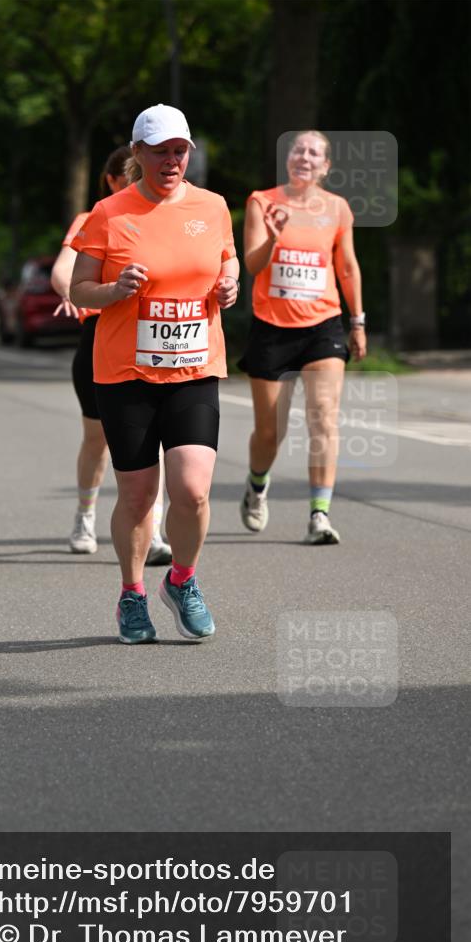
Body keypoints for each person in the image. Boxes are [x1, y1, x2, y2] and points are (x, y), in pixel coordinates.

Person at [70, 104, 239, 643]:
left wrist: (229, 283)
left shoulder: (212, 207)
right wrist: (114, 290)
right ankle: (132, 594)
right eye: (161, 151)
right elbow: (79, 289)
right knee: (140, 496)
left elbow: (227, 258)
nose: (172, 160)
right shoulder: (109, 213)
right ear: (137, 153)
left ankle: (183, 580)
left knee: (191, 490)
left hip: (193, 367)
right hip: (125, 373)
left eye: (180, 150)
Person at [238, 129, 366, 544]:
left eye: (314, 152)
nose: (304, 157)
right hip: (272, 329)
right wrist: (274, 238)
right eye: (298, 149)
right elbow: (253, 266)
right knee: (270, 432)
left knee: (324, 418)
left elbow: (346, 268)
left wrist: (358, 321)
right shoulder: (262, 201)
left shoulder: (337, 208)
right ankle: (257, 485)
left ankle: (319, 515)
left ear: (325, 166)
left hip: (323, 325)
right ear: (288, 158)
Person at [51, 146, 171, 565]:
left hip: (153, 346)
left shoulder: (167, 214)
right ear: (112, 181)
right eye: (130, 176)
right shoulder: (94, 218)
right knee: (97, 440)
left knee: (152, 444)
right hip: (100, 340)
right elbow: (62, 273)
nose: (138, 183)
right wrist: (77, 294)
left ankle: (152, 532)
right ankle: (85, 515)